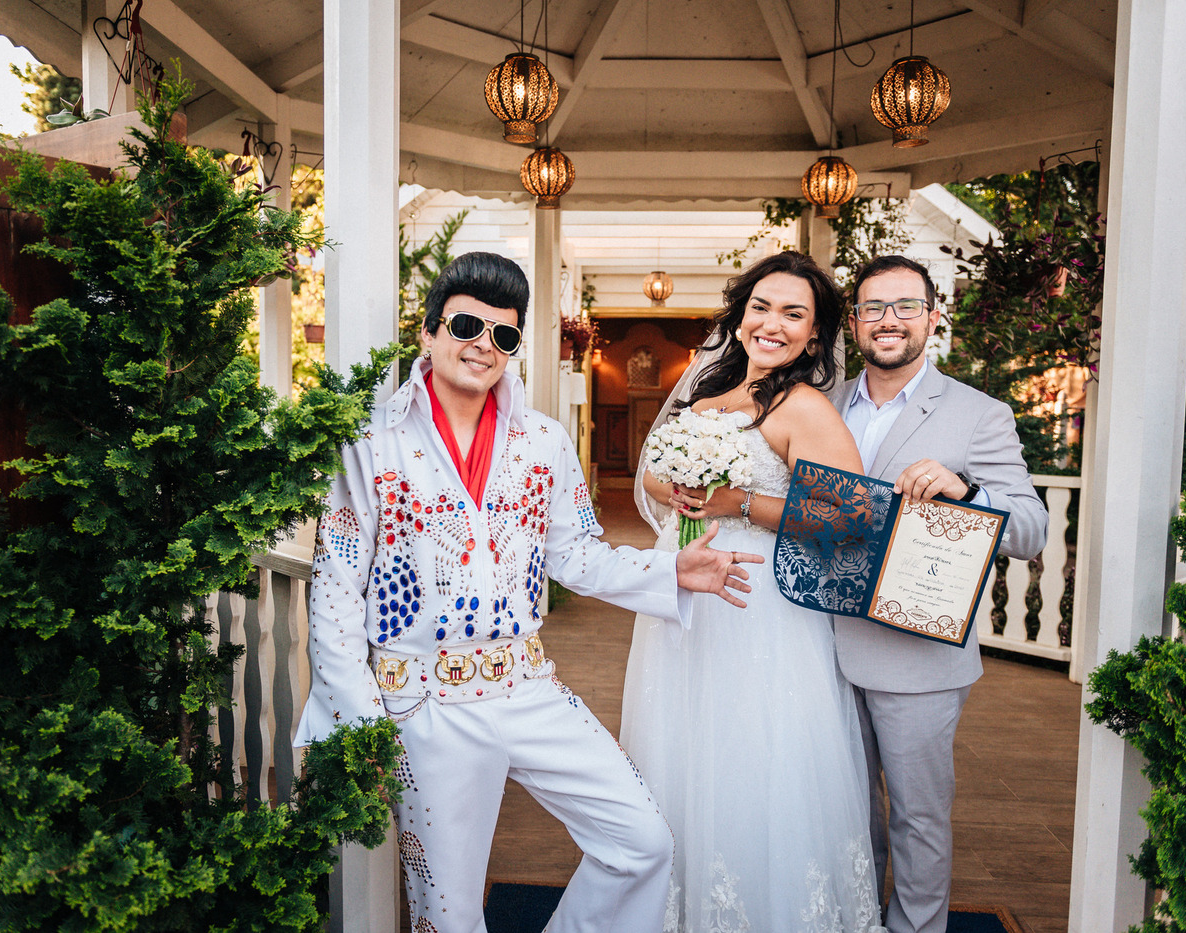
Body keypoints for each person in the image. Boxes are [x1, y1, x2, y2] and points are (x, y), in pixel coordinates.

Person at [293, 251, 764, 933]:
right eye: (464, 325)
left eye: (504, 335)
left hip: (527, 684)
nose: (483, 345)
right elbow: (335, 591)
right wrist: (363, 724)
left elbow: (576, 556)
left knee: (642, 841)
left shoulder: (541, 441)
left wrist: (669, 572)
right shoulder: (373, 444)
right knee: (449, 913)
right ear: (427, 333)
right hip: (424, 702)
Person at [622, 250, 887, 933]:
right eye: (761, 306)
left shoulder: (804, 407)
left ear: (814, 333)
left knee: (755, 752)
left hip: (759, 604)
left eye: (793, 313)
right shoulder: (706, 389)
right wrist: (677, 490)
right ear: (740, 316)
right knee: (682, 744)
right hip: (684, 597)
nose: (772, 323)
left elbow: (851, 518)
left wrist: (739, 501)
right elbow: (652, 472)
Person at [829, 255, 1050, 933]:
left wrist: (970, 493)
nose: (888, 320)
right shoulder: (824, 399)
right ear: (854, 320)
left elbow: (1033, 528)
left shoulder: (977, 415)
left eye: (904, 306)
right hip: (818, 648)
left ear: (931, 317)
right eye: (873, 307)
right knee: (842, 809)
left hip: (917, 655)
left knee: (918, 816)